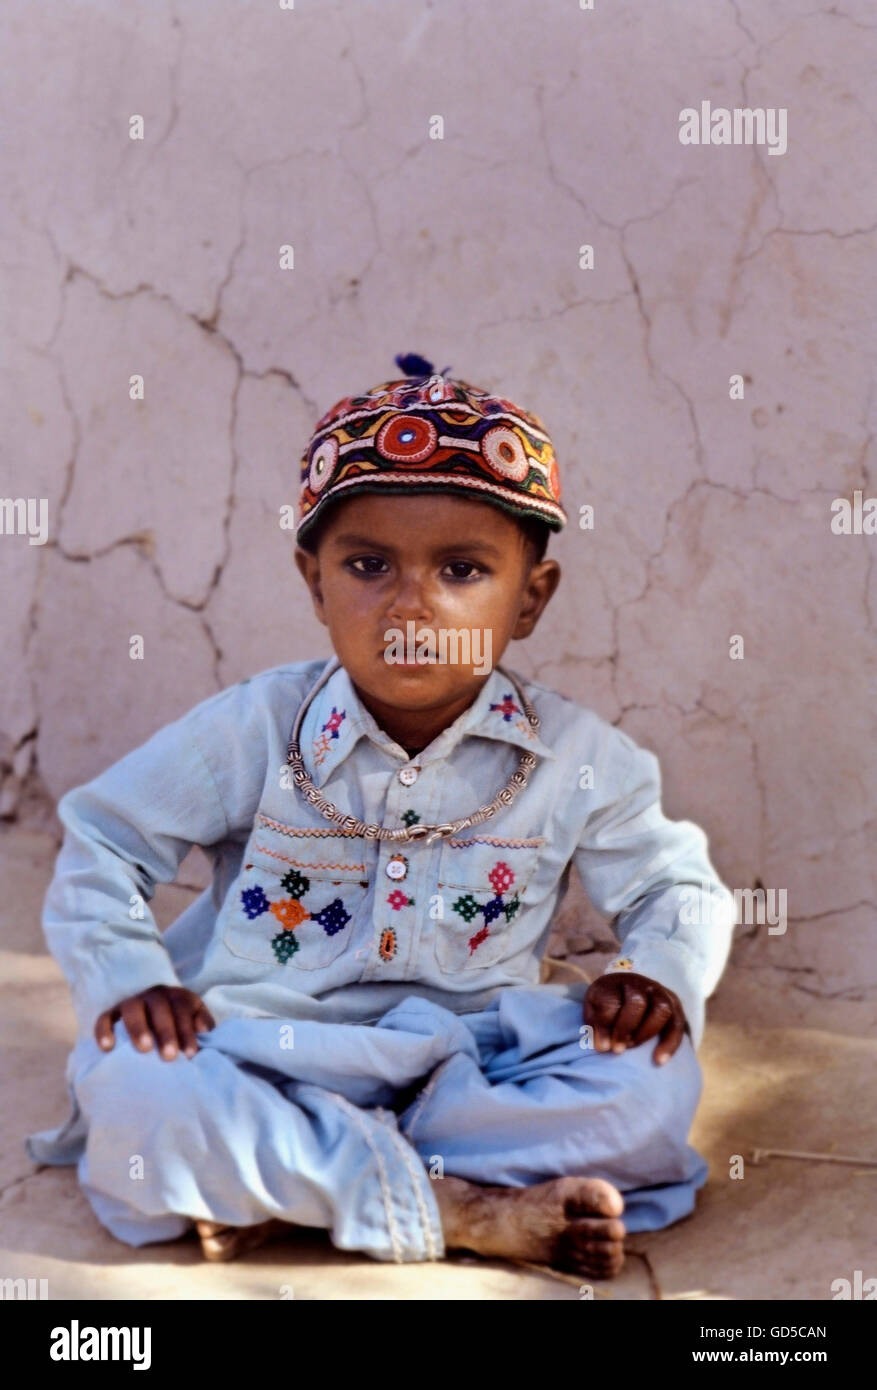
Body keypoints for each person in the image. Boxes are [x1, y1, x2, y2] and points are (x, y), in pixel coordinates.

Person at [26, 353, 736, 1279]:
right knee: (131, 1087)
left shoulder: (577, 757)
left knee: (648, 1085)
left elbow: (677, 885)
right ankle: (458, 1211)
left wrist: (654, 973)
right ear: (314, 581)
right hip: (262, 1048)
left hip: (472, 1068)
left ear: (530, 597)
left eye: (461, 569)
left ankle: (293, 1181)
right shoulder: (255, 728)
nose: (411, 603)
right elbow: (103, 840)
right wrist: (130, 976)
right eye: (367, 566)